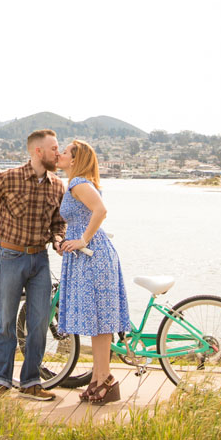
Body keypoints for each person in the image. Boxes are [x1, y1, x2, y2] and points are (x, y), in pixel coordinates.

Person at [0, 129, 66, 401]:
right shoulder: (9, 178)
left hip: (41, 260)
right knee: (6, 324)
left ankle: (30, 382)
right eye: (53, 149)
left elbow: (58, 223)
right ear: (38, 151)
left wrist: (58, 239)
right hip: (11, 258)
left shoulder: (58, 186)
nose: (57, 154)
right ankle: (1, 381)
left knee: (38, 324)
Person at [57, 139, 130, 404]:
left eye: (65, 152)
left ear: (75, 159)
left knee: (99, 319)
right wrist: (68, 241)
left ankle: (104, 379)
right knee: (99, 321)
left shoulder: (79, 184)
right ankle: (100, 379)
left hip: (93, 255)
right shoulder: (78, 183)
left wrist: (83, 240)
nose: (60, 155)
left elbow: (101, 211)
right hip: (89, 255)